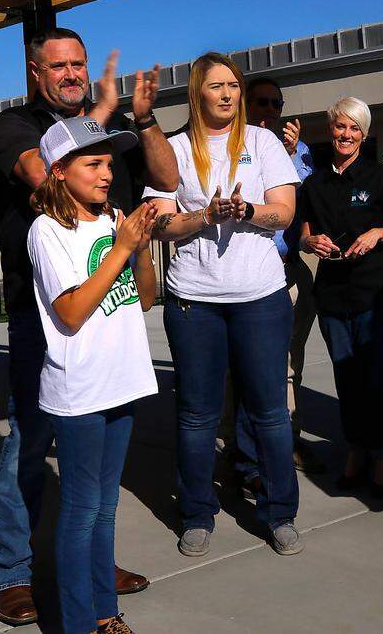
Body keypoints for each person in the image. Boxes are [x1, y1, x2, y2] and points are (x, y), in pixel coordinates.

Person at [0, 28, 179, 626]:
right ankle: (13, 572)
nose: (71, 73)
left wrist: (134, 121)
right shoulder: (14, 127)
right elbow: (44, 174)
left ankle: (94, 572)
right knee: (31, 440)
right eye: (59, 65)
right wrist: (96, 126)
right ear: (36, 72)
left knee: (95, 495)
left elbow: (165, 186)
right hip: (44, 317)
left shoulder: (103, 157)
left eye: (80, 64)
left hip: (112, 334)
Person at [146, 52, 302, 558]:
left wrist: (248, 210)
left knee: (270, 413)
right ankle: (196, 513)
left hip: (260, 297)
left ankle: (280, 514)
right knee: (196, 416)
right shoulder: (172, 149)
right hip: (195, 301)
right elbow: (162, 225)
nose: (229, 94)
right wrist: (204, 215)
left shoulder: (262, 142)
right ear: (197, 92)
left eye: (233, 85)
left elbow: (284, 212)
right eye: (217, 86)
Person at [26, 118, 160, 634]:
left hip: (122, 379)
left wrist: (141, 248)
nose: (107, 174)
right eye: (93, 163)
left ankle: (106, 613)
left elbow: (144, 298)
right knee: (82, 510)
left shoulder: (113, 223)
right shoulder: (47, 231)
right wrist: (123, 249)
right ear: (59, 171)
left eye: (109, 163)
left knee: (106, 507)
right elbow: (73, 311)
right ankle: (77, 622)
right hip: (79, 390)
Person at [299, 97, 383, 497]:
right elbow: (305, 234)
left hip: (375, 292)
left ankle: (380, 457)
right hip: (332, 294)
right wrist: (312, 242)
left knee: (376, 378)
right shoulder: (314, 183)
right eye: (340, 127)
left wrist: (377, 233)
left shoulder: (379, 177)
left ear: (364, 133)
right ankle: (356, 451)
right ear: (331, 130)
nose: (346, 135)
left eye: (354, 128)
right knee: (347, 378)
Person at [230, 76, 324, 497]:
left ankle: (287, 441)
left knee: (290, 362)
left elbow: (304, 206)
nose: (270, 110)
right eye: (261, 102)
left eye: (276, 103)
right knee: (247, 367)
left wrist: (285, 157)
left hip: (288, 267)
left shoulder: (299, 152)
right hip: (246, 270)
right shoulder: (232, 146)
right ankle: (248, 453)